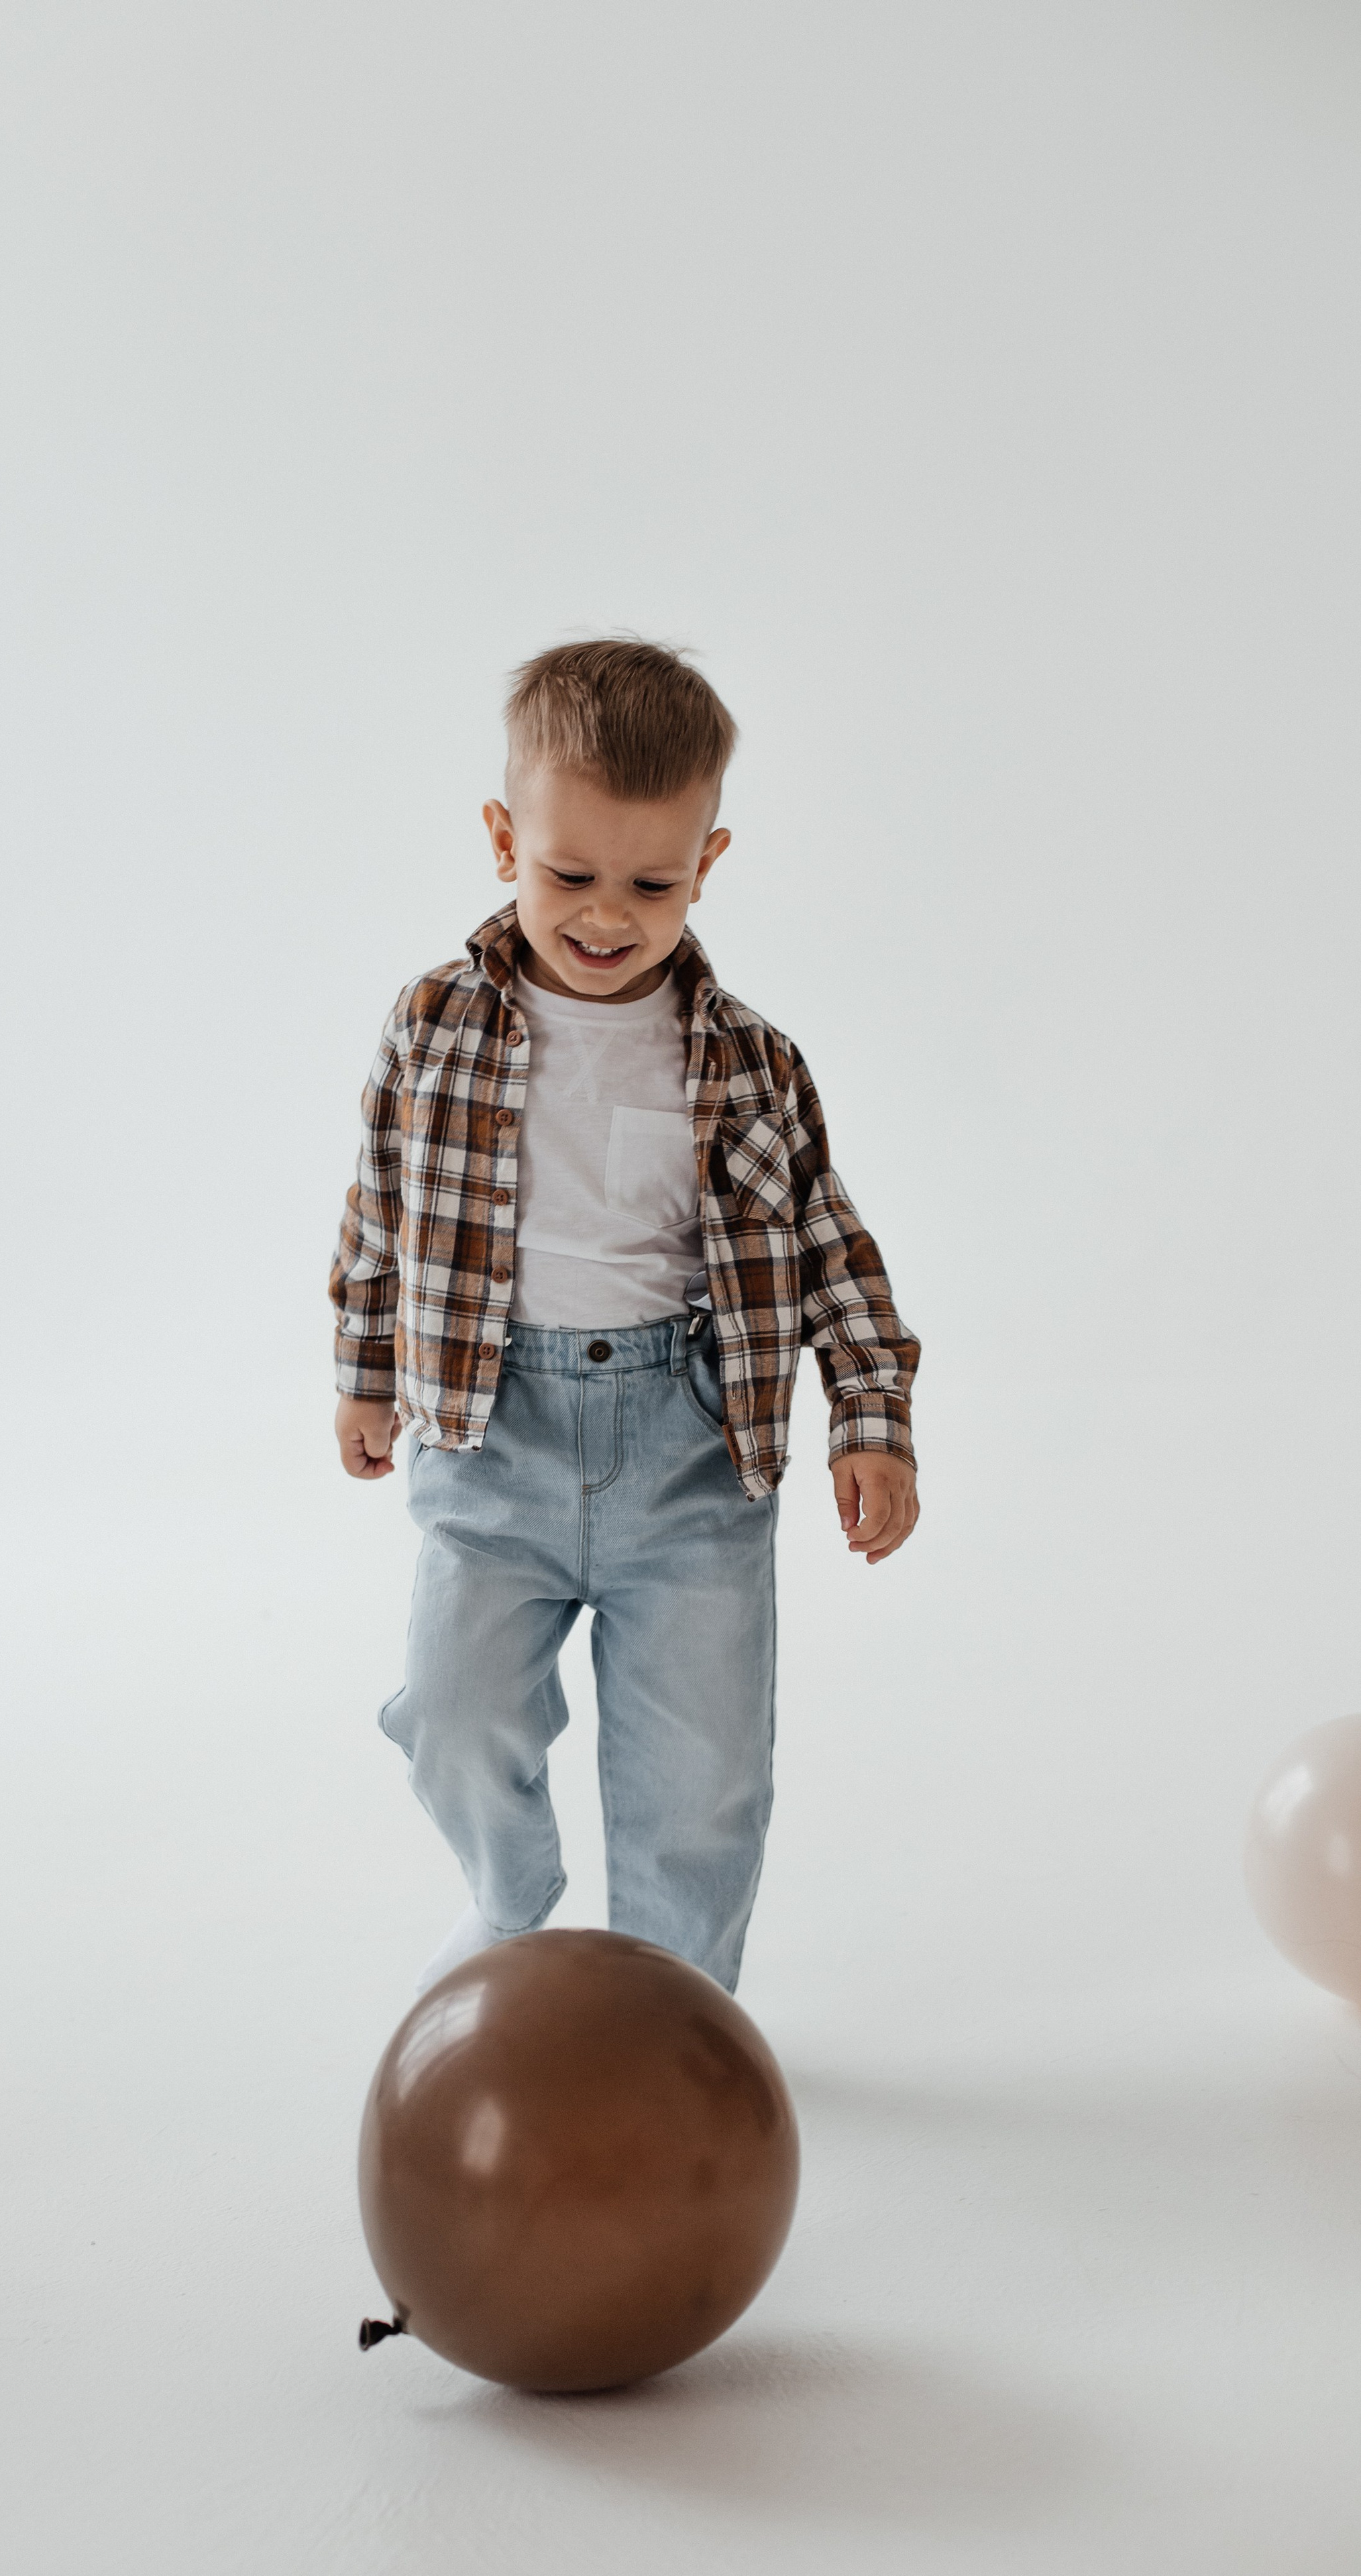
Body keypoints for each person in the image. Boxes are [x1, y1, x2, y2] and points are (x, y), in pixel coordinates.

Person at [330, 640, 920, 1995]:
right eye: (569, 875)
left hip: (687, 1447)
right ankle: (507, 1891)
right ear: (501, 840)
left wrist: (868, 1419)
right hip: (491, 1432)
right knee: (451, 1707)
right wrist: (364, 1373)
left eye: (651, 884)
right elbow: (378, 1207)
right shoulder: (432, 1027)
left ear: (706, 862)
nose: (606, 917)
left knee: (700, 1770)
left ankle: (672, 2014)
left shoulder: (746, 1060)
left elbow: (828, 1244)